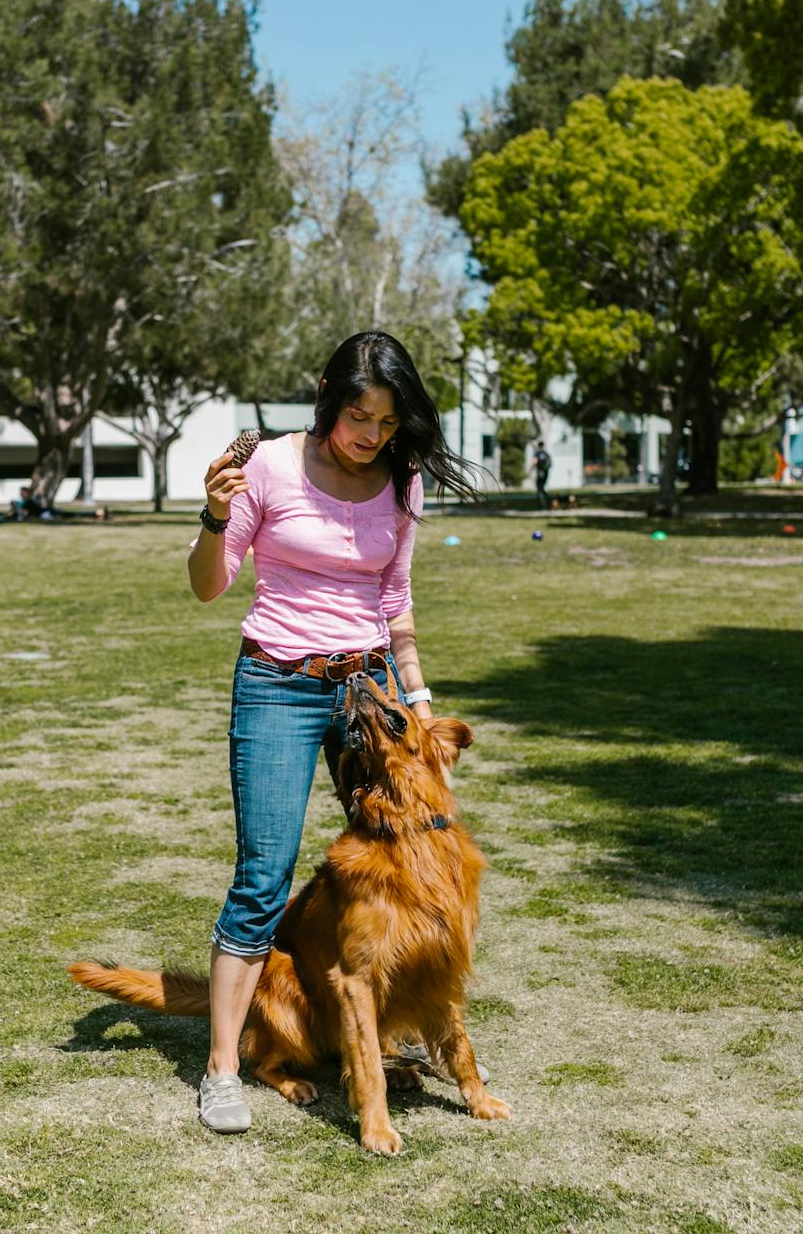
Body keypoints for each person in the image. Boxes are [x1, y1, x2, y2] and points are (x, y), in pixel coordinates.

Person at [185, 330, 484, 1135]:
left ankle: (379, 1019)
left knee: (403, 862)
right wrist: (215, 517)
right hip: (279, 685)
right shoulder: (270, 468)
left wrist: (417, 697)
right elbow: (209, 587)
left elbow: (397, 600)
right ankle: (221, 1069)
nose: (370, 436)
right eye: (358, 416)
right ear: (327, 396)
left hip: (368, 686)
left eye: (386, 424)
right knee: (264, 875)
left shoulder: (402, 481)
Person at [532, 439, 552, 509]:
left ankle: (543, 505)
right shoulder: (546, 454)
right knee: (542, 488)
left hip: (540, 473)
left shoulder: (537, 453)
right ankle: (548, 502)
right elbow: (550, 464)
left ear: (538, 446)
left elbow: (534, 463)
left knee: (539, 489)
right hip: (546, 473)